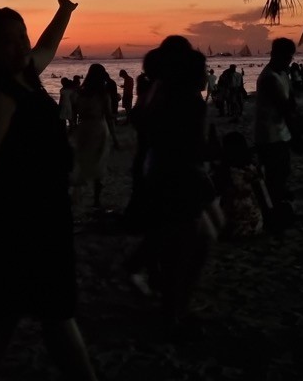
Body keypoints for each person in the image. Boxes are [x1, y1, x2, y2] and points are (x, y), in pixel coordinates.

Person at [0, 0, 143, 381]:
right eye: (8, 41)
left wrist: (64, 13)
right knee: (54, 308)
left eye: (22, 36)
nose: (21, 46)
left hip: (43, 210)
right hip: (21, 218)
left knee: (8, 310)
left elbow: (46, 47)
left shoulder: (25, 75)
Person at [130, 36, 218, 325]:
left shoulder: (162, 93)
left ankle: (175, 305)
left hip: (163, 174)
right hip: (180, 178)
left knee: (187, 241)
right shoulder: (187, 101)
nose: (207, 75)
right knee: (187, 245)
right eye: (204, 69)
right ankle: (175, 311)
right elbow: (190, 146)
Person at [254, 38, 299, 229]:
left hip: (281, 133)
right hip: (269, 136)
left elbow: (290, 100)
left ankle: (278, 209)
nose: (288, 61)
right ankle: (273, 214)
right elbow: (284, 107)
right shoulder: (269, 78)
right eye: (285, 57)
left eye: (290, 57)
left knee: (282, 173)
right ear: (274, 55)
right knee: (275, 176)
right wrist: (297, 136)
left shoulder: (283, 74)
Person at [72, 63, 119, 209]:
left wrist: (73, 129)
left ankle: (76, 195)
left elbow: (75, 114)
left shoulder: (80, 92)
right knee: (99, 162)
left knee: (82, 159)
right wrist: (115, 138)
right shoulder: (103, 94)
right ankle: (96, 200)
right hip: (98, 127)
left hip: (83, 128)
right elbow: (109, 116)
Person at [211, 131, 267, 239]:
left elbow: (218, 192)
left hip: (234, 226)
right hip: (256, 223)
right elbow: (263, 195)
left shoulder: (225, 171)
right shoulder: (252, 168)